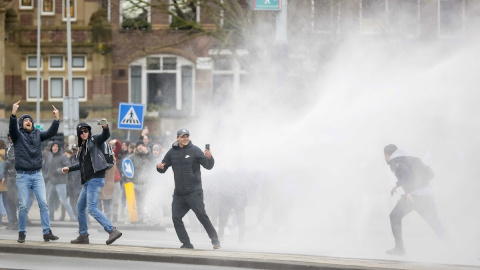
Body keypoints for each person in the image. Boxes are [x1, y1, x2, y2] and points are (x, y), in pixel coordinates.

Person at [156, 128, 220, 249]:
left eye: (187, 136)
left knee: (201, 215)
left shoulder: (195, 150)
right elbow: (163, 167)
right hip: (179, 193)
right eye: (182, 136)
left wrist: (210, 158)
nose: (185, 138)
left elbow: (208, 166)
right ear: (177, 138)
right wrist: (159, 167)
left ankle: (215, 240)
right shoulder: (171, 152)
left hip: (194, 191)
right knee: (176, 218)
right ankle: (186, 243)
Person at [62, 120, 122, 245]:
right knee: (80, 207)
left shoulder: (94, 140)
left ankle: (112, 230)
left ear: (89, 131)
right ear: (78, 134)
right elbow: (82, 164)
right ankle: (83, 235)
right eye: (81, 132)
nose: (84, 133)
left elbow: (104, 136)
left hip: (96, 179)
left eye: (86, 131)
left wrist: (105, 127)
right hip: (88, 181)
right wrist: (70, 168)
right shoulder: (83, 147)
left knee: (92, 208)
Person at [8, 100, 60, 243]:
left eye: (30, 120)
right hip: (23, 175)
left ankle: (47, 232)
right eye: (25, 120)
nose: (28, 121)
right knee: (23, 205)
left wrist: (56, 119)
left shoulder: (38, 134)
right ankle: (22, 232)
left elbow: (51, 132)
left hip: (37, 175)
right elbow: (12, 128)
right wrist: (13, 113)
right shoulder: (17, 136)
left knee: (43, 203)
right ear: (21, 125)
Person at [384, 144, 449, 255]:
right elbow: (430, 173)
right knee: (435, 223)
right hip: (427, 194)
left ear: (387, 155)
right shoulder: (412, 159)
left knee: (394, 216)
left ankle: (399, 248)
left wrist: (398, 186)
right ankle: (453, 247)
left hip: (413, 196)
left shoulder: (395, 162)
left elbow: (406, 176)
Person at [46, 141, 76, 222]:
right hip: (52, 182)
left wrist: (59, 171)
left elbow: (68, 167)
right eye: (53, 146)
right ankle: (51, 216)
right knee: (50, 199)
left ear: (59, 148)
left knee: (63, 200)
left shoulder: (63, 156)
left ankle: (73, 217)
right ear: (51, 147)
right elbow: (49, 169)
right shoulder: (50, 156)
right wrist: (47, 177)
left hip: (61, 182)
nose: (55, 147)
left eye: (56, 146)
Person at [127, 140, 153, 223]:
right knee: (133, 203)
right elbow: (126, 169)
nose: (141, 147)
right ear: (136, 147)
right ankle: (133, 219)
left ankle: (141, 219)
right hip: (134, 183)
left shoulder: (148, 157)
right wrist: (129, 182)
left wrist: (148, 154)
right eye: (139, 145)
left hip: (145, 183)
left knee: (142, 202)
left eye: (143, 145)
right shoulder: (131, 157)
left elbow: (154, 164)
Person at [3, 134, 18, 230]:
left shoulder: (17, 147)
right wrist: (4, 175)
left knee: (16, 200)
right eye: (9, 136)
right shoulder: (8, 148)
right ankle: (13, 221)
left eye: (11, 136)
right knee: (10, 199)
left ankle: (17, 221)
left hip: (16, 176)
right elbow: (6, 163)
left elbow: (12, 161)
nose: (10, 138)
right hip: (10, 176)